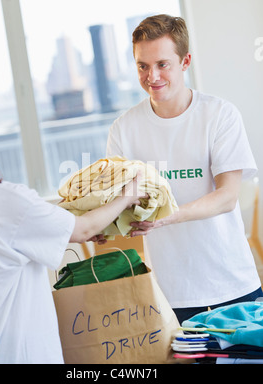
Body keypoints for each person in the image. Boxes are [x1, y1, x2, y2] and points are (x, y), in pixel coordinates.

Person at [0, 84, 145, 364]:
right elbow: (81, 229)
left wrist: (74, 224)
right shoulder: (5, 202)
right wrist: (127, 196)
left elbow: (45, 225)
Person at [106, 14, 263, 325]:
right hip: (169, 293)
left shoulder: (219, 115)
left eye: (162, 64)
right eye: (142, 66)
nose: (152, 76)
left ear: (185, 61)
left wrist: (164, 216)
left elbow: (227, 197)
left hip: (232, 284)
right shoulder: (123, 129)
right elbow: (119, 202)